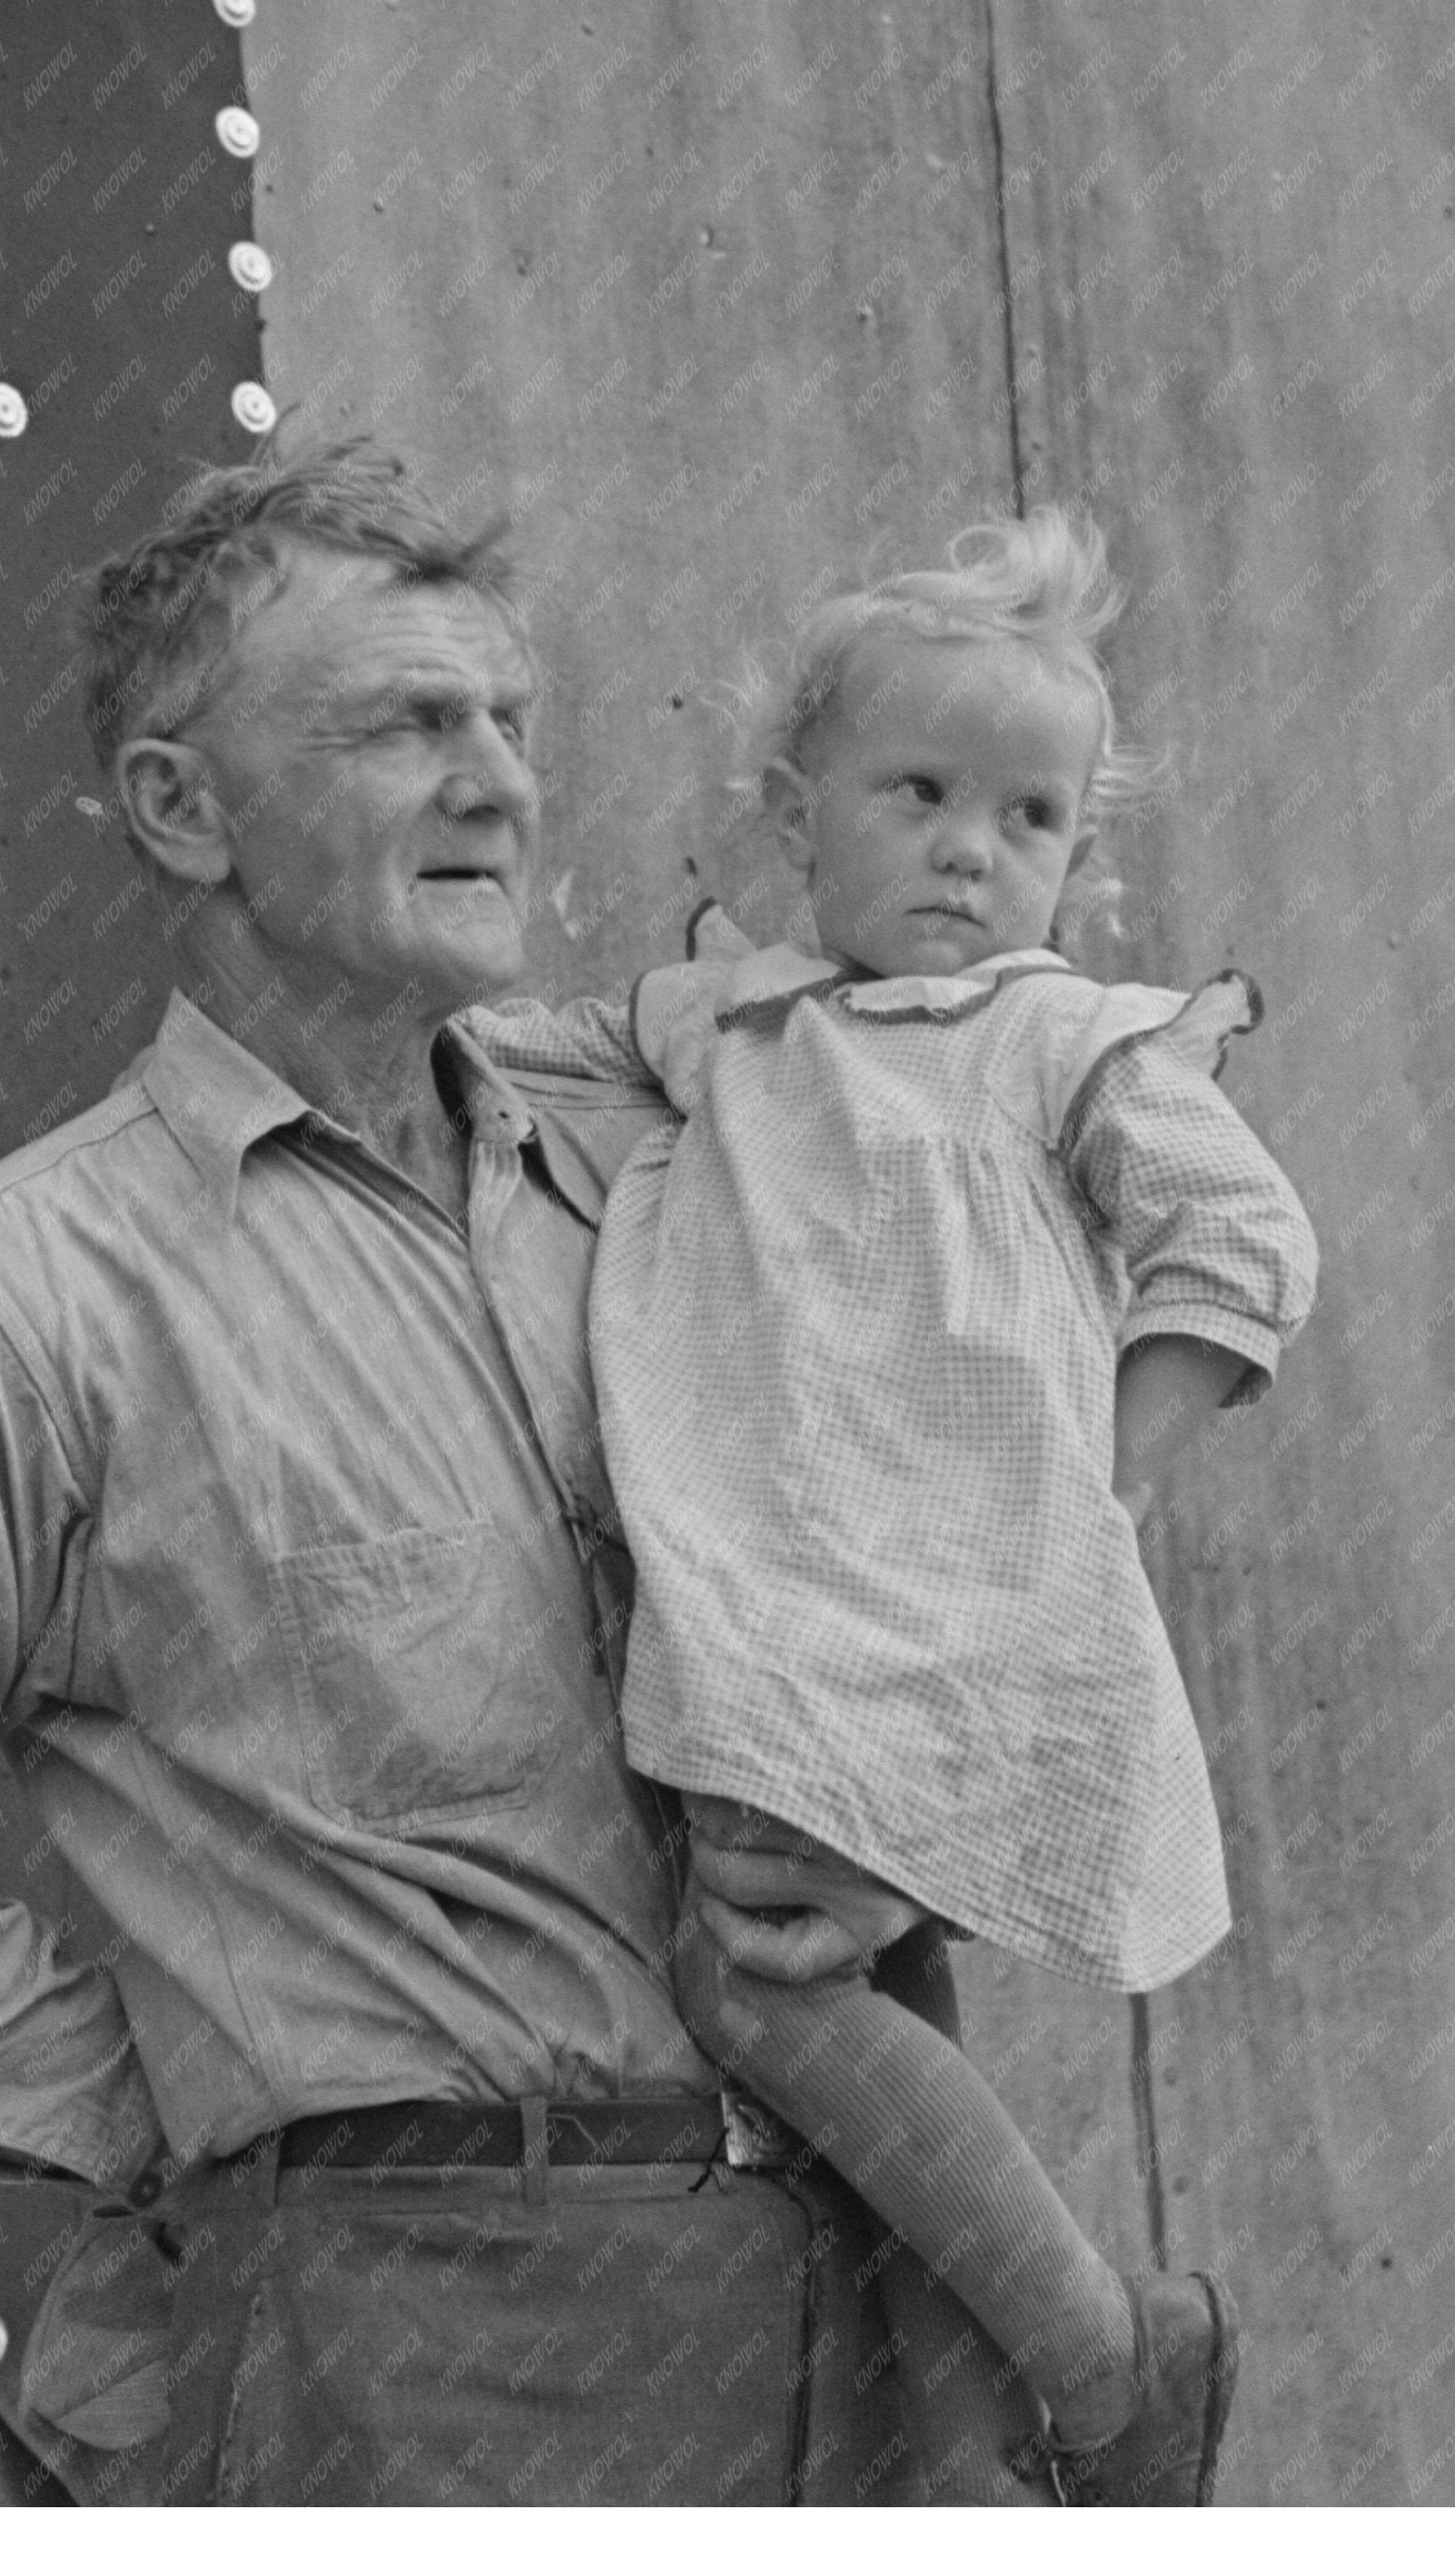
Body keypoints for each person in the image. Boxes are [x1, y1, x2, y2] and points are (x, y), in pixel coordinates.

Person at [0, 436, 1056, 2505]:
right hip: (426, 2362)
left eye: (508, 719)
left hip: (857, 2319)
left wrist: (903, 1835)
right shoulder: (15, 1309)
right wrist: (184, 2113)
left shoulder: (676, 1175)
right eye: (404, 724)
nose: (496, 780)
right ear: (179, 810)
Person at [483, 509, 1317, 2503]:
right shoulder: (724, 1023)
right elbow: (497, 1051)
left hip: (939, 1606)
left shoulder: (1058, 1038)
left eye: (1026, 818)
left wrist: (1102, 1475)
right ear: (793, 811)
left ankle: (1104, 2369)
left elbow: (1236, 1230)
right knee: (849, 2001)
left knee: (757, 1977)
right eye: (918, 793)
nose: (969, 848)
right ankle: (955, 2456)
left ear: (1071, 863)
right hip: (768, 1602)